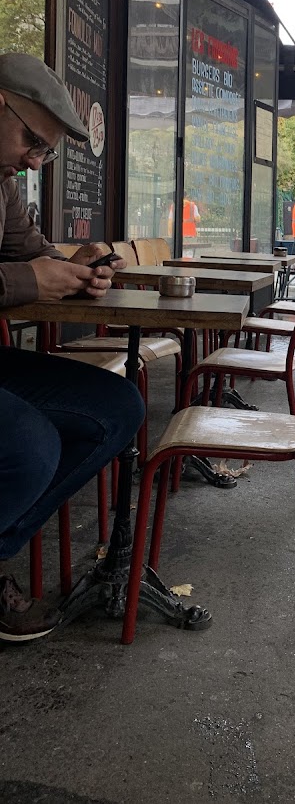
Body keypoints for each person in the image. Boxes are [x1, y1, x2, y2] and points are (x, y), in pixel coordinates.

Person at [0, 53, 145, 642]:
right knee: (29, 444)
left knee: (119, 408)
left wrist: (75, 267)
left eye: (46, 152)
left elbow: (26, 248)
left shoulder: (3, 184)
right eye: (32, 140)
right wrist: (28, 282)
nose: (35, 160)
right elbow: (20, 272)